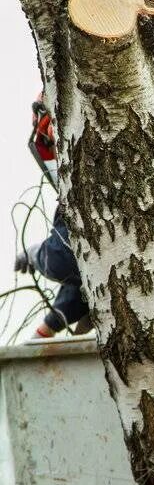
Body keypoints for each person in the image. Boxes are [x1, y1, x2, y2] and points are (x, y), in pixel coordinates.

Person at [14, 98, 91, 339]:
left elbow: (66, 256)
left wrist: (35, 254)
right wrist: (47, 328)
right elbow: (89, 271)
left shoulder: (84, 182)